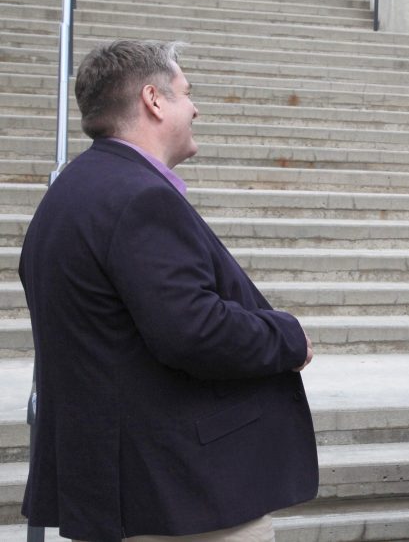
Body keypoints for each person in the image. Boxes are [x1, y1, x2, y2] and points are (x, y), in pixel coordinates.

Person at [19, 40, 319, 542]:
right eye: (186, 93)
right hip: (178, 495)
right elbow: (193, 331)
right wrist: (287, 336)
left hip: (123, 490)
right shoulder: (138, 198)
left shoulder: (71, 190)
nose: (195, 107)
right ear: (154, 100)